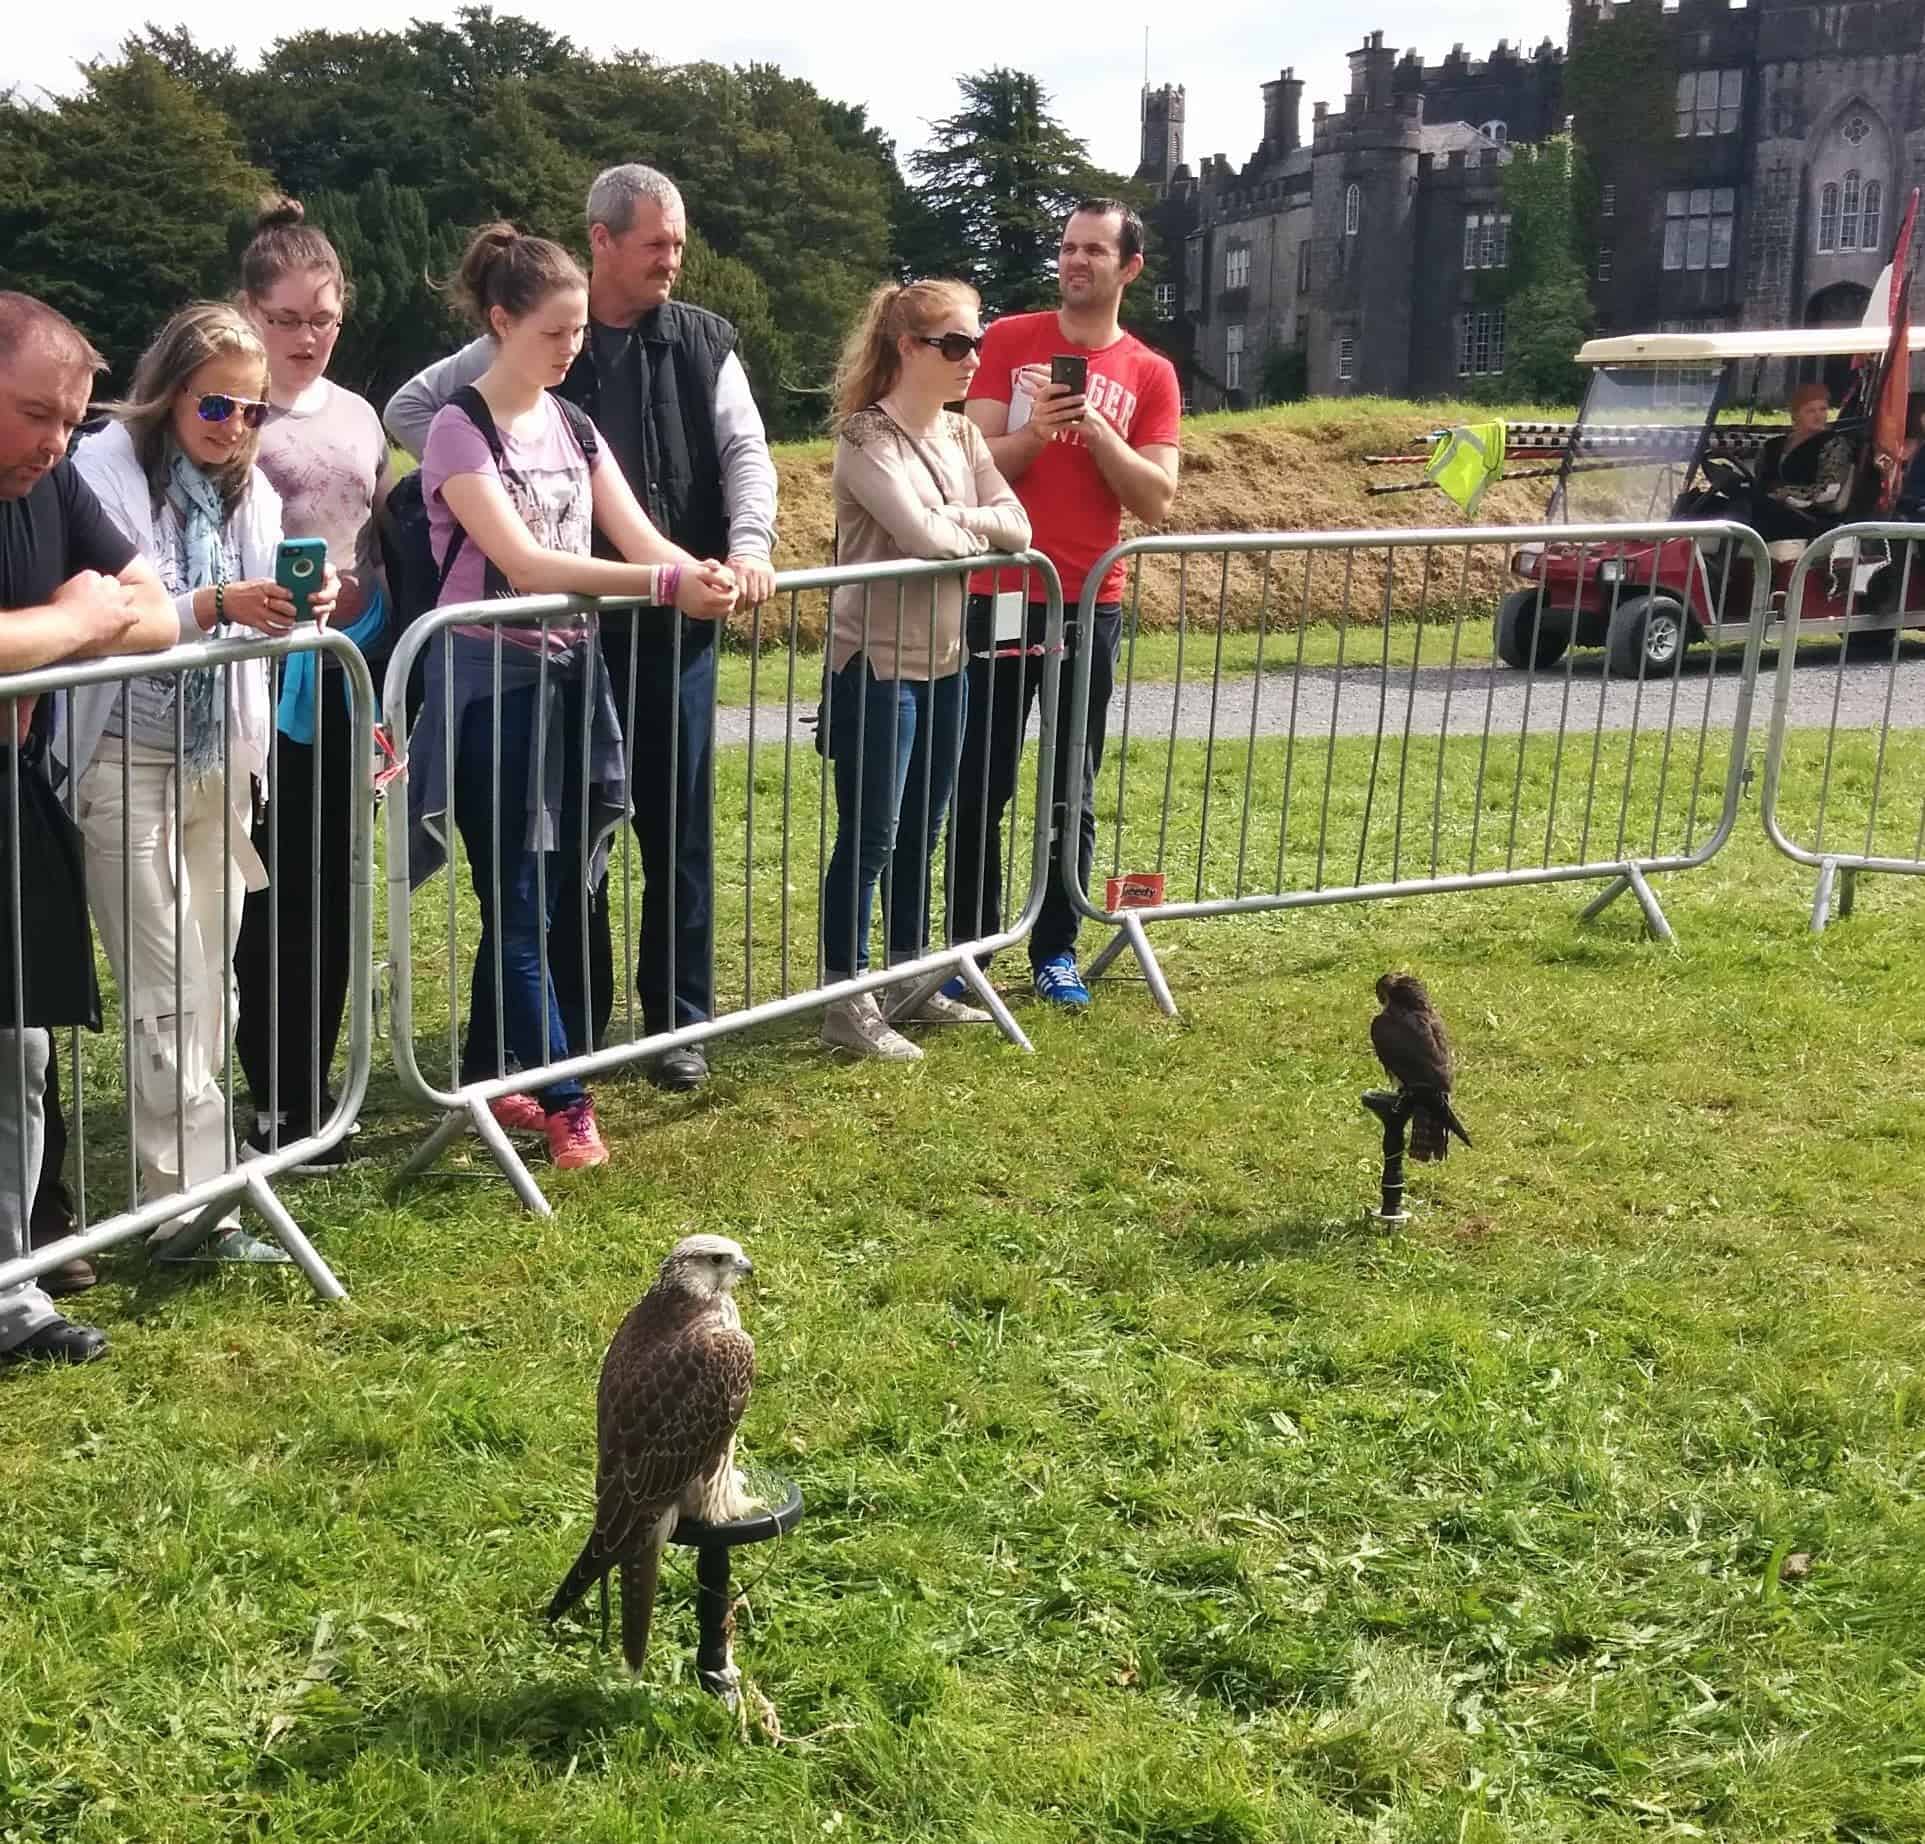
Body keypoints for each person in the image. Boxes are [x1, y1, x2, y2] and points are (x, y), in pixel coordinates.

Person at [387, 165, 777, 1093]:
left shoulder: (678, 355)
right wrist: (468, 479)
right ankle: (558, 1058)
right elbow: (505, 533)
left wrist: (725, 555)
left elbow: (729, 462)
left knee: (639, 842)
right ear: (600, 241)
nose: (671, 263)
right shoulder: (475, 399)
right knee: (538, 877)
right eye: (655, 244)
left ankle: (644, 1035)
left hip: (618, 646)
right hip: (521, 660)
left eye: (678, 244)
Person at [70, 301, 336, 1264]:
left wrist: (298, 606)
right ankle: (188, 1208)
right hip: (121, 758)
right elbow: (116, 614)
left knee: (210, 984)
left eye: (253, 412)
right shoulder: (102, 472)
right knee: (165, 987)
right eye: (216, 406)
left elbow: (255, 613)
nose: (233, 428)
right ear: (172, 390)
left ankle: (193, 1191)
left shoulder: (248, 493)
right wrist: (217, 603)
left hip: (218, 763)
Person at [0, 293, 184, 1364]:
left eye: (71, 420)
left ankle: (13, 1295)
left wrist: (60, 634)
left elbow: (155, 609)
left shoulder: (53, 481)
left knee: (17, 1051)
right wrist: (71, 623)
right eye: (33, 414)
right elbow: (106, 614)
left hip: (13, 800)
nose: (54, 442)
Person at [948, 199, 1181, 1011]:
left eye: (1093, 250)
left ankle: (1055, 949)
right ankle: (969, 948)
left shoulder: (1149, 372)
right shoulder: (1008, 339)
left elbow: (1156, 499)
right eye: (1067, 248)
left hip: (1090, 602)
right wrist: (1038, 433)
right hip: (1002, 595)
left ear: (1129, 267)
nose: (1075, 262)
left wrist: (1099, 432)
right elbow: (967, 469)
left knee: (1070, 784)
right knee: (980, 778)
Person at [818, 282, 1030, 1061]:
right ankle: (846, 998)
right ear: (908, 348)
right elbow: (921, 539)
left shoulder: (964, 438)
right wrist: (965, 528)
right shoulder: (863, 435)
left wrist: (960, 522)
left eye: (976, 341)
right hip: (875, 667)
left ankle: (911, 981)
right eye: (955, 344)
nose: (974, 359)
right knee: (871, 836)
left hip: (947, 664)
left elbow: (1017, 524)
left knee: (924, 831)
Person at [232, 197, 392, 1171]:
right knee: (268, 893)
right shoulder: (229, 409)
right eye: (286, 318)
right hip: (253, 686)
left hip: (344, 678)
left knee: (333, 888)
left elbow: (371, 545)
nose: (305, 337)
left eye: (322, 318)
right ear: (250, 312)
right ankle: (273, 1094)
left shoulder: (363, 416)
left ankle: (320, 1094)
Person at [1754, 381, 1855, 547]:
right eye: (1810, 410)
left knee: (1745, 507)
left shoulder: (1834, 444)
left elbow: (1828, 491)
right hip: (1769, 508)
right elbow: (1759, 480)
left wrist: (1785, 493)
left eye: (1823, 409)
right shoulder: (1773, 445)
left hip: (1806, 516)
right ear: (1795, 414)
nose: (1819, 416)